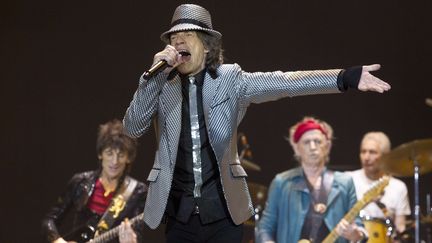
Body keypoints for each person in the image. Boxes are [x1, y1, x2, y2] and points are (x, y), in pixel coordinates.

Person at [123, 4, 390, 242]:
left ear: (205, 45)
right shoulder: (161, 85)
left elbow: (286, 82)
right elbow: (133, 127)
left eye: (186, 35)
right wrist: (152, 77)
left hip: (223, 212)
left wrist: (344, 78)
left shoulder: (230, 79)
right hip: (179, 215)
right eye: (173, 37)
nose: (177, 41)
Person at [255, 117, 365, 243]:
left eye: (318, 141)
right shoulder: (281, 182)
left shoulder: (345, 183)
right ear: (296, 148)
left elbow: (359, 228)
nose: (313, 147)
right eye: (306, 142)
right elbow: (264, 228)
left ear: (327, 146)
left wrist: (355, 235)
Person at [41, 119, 148, 243]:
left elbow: (138, 234)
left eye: (121, 155)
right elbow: (49, 220)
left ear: (129, 158)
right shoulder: (80, 182)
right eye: (109, 153)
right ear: (100, 154)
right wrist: (58, 240)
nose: (115, 161)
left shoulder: (138, 191)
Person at [347, 132, 411, 235]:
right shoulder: (348, 179)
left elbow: (400, 226)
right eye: (363, 152)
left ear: (385, 156)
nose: (366, 157)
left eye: (372, 152)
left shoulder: (398, 187)